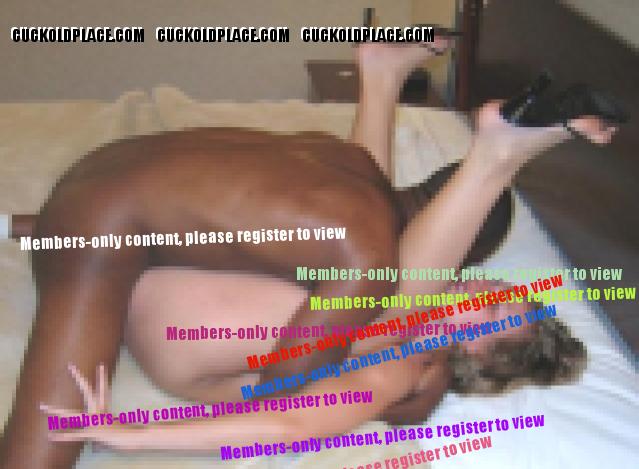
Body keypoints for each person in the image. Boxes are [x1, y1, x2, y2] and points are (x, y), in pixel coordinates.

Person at [0, 37, 615, 467]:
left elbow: (290, 423)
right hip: (138, 251)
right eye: (496, 293)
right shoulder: (379, 287)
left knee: (391, 290)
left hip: (141, 275)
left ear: (479, 358)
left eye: (492, 314)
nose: (480, 292)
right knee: (375, 250)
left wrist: (133, 435)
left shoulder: (408, 368)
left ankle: (481, 151)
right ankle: (470, 143)